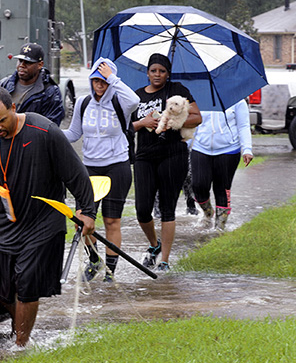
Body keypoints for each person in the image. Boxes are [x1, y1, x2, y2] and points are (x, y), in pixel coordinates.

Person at [0, 86, 95, 346]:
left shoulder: (45, 131)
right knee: (2, 291)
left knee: (27, 285)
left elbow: (76, 174)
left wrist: (87, 211)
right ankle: (23, 333)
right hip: (6, 226)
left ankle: (20, 346)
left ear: (14, 108)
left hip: (43, 223)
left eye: (1, 121)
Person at [63, 57, 139, 282]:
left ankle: (110, 271)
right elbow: (74, 133)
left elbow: (134, 100)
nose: (99, 84)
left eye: (103, 80)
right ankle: (95, 260)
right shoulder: (83, 103)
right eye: (96, 79)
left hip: (117, 165)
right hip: (89, 167)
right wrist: (49, 135)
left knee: (111, 220)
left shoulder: (121, 102)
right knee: (82, 219)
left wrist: (113, 78)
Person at [131, 53, 202, 272]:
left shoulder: (178, 91)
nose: (157, 75)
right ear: (148, 72)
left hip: (173, 154)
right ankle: (154, 245)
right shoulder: (136, 96)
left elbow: (197, 117)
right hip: (144, 156)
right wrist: (143, 122)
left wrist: (172, 121)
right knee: (142, 210)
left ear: (168, 73)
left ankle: (165, 261)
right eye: (154, 70)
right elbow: (126, 126)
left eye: (162, 71)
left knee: (167, 209)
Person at [190, 99, 253, 230]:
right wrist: (184, 144)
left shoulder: (237, 100)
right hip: (200, 147)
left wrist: (247, 149)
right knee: (198, 185)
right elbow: (192, 124)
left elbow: (243, 126)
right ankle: (208, 213)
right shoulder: (198, 99)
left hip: (229, 149)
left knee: (222, 188)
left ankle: (219, 228)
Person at [0, 42, 65, 126]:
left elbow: (51, 127)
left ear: (40, 65)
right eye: (20, 61)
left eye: (27, 62)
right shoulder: (5, 85)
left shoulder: (50, 92)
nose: (22, 65)